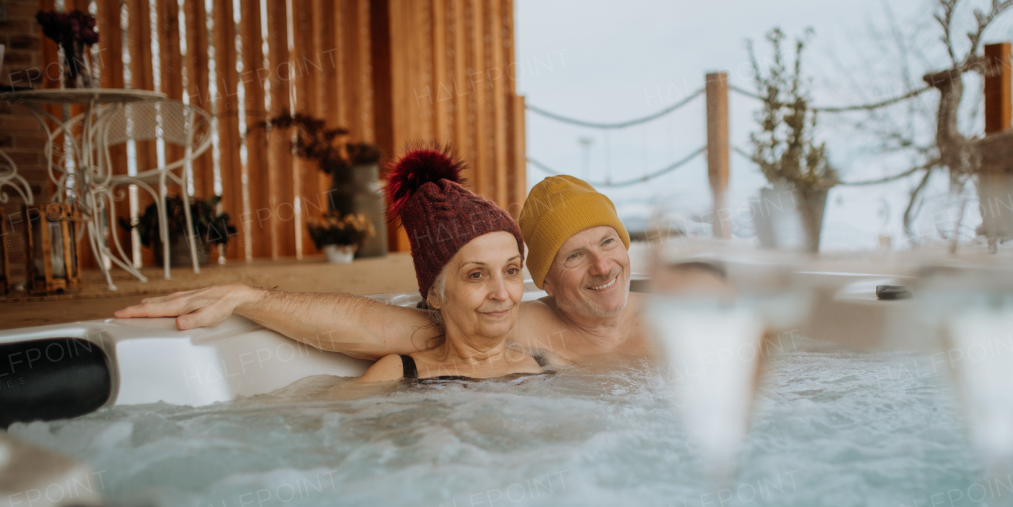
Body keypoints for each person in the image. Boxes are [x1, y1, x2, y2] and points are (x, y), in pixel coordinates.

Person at [115, 164, 652, 365]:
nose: (602, 265)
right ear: (547, 281)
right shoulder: (523, 327)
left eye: (610, 242)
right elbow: (377, 323)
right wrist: (249, 297)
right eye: (575, 255)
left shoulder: (684, 315)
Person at [341, 146, 538, 382]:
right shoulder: (397, 374)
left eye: (511, 270)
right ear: (435, 293)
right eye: (476, 275)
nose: (502, 293)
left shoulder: (545, 363)